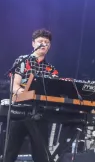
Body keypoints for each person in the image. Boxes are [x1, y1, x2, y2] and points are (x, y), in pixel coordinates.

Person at [4, 29, 58, 162]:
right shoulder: (22, 61)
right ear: (33, 43)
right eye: (40, 41)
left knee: (41, 156)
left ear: (49, 46)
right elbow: (14, 86)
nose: (44, 44)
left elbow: (53, 92)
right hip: (20, 110)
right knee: (10, 153)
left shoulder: (51, 69)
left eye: (47, 42)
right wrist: (24, 94)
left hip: (40, 113)